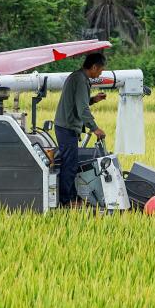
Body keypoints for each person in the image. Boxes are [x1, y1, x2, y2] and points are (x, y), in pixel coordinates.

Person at [54, 52, 108, 206]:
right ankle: (67, 200)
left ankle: (71, 197)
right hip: (67, 127)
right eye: (100, 71)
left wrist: (94, 99)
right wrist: (95, 128)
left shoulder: (77, 77)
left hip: (64, 125)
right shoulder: (81, 80)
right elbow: (82, 109)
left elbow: (79, 103)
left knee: (70, 163)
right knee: (69, 165)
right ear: (94, 67)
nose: (99, 74)